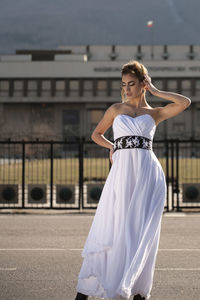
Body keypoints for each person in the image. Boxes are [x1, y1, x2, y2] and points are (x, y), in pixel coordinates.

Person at [75, 60, 191, 300]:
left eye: (132, 84)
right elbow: (96, 134)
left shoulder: (155, 113)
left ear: (142, 84)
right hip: (122, 174)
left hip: (148, 175)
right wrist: (113, 147)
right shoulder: (116, 109)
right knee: (114, 226)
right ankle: (88, 290)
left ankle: (136, 289)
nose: (127, 89)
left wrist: (156, 91)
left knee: (140, 232)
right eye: (124, 84)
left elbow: (185, 103)